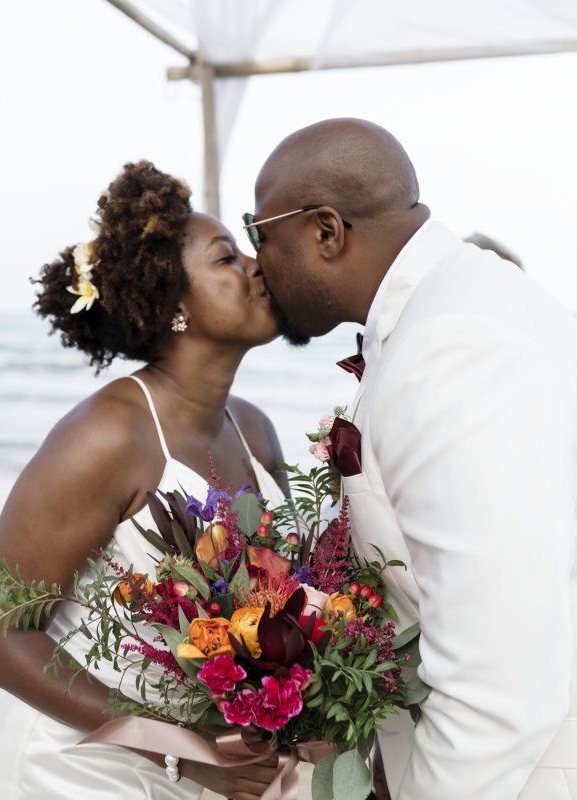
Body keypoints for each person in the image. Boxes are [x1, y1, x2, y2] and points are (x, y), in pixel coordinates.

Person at [246, 118, 577, 799]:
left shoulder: (454, 345)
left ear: (326, 232)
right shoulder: (446, 309)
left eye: (260, 233)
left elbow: (495, 681)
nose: (257, 263)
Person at [0, 160, 286, 800]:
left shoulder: (256, 432)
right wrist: (182, 750)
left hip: (197, 763)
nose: (255, 266)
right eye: (226, 259)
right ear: (173, 304)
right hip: (63, 763)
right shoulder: (107, 436)